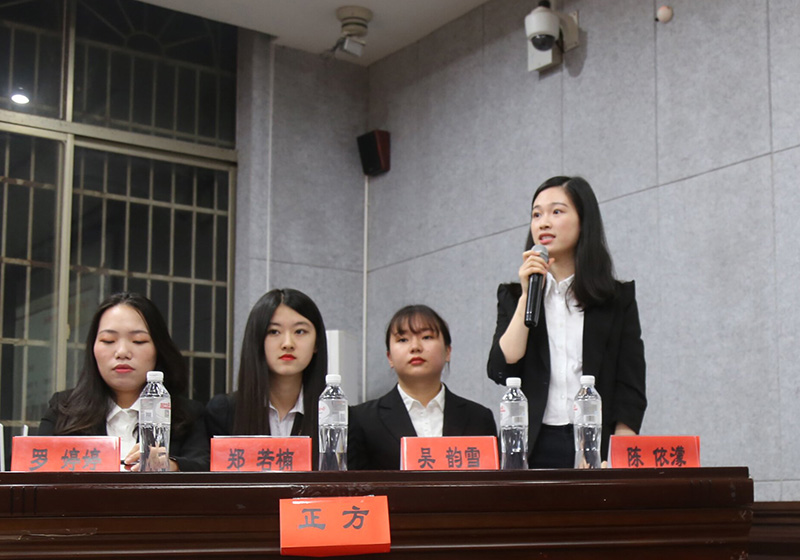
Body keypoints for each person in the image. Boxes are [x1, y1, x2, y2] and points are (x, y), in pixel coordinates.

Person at [487, 176, 647, 468]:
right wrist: (527, 296)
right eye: (537, 215)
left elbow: (630, 384)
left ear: (584, 221)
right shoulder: (514, 295)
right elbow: (501, 367)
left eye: (557, 212)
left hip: (595, 444)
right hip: (530, 446)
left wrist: (618, 455)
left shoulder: (615, 299)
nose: (543, 223)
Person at [38, 292, 209, 471]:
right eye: (108, 340)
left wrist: (171, 465)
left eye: (138, 341)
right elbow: (34, 467)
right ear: (93, 348)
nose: (122, 352)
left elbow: (205, 469)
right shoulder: (63, 410)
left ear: (158, 348)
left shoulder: (188, 416)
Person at [349, 305, 497, 470]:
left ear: (448, 351)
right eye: (403, 340)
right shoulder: (362, 419)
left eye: (426, 337)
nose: (415, 347)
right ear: (389, 357)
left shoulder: (479, 418)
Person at [205, 288, 328, 467]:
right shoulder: (224, 411)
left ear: (316, 343)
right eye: (274, 332)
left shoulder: (333, 416)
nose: (288, 344)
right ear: (257, 340)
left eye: (300, 331)